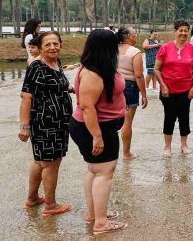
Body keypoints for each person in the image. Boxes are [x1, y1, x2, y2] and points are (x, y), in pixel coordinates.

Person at [69, 29, 128, 234]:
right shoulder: (92, 73)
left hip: (99, 127)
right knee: (104, 173)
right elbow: (87, 107)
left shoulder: (98, 66)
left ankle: (93, 214)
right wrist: (97, 136)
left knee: (94, 171)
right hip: (96, 128)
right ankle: (101, 223)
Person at [19, 31, 73, 216]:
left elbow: (55, 85)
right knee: (51, 163)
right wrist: (24, 126)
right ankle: (50, 205)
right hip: (45, 122)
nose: (52, 47)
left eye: (56, 43)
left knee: (39, 161)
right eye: (48, 44)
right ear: (40, 47)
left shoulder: (56, 63)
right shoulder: (37, 66)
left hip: (60, 122)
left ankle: (32, 198)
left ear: (61, 44)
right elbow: (26, 96)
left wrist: (71, 89)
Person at [154, 20, 193, 157]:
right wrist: (163, 86)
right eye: (180, 30)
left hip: (186, 90)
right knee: (169, 117)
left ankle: (184, 145)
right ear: (175, 32)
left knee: (184, 117)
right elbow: (156, 69)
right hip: (168, 91)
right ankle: (167, 147)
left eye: (186, 30)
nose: (183, 33)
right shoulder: (165, 48)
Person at [117, 27, 148, 160]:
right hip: (129, 86)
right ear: (129, 36)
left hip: (113, 86)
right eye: (135, 33)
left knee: (110, 120)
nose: (136, 36)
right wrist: (144, 94)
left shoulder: (112, 49)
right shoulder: (135, 52)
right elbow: (139, 75)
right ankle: (126, 153)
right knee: (127, 122)